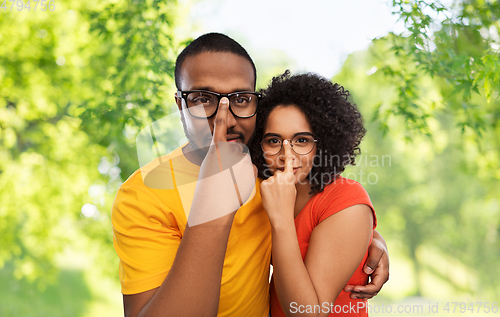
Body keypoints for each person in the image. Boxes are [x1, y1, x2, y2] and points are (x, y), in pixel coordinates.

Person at [112, 33, 389, 317]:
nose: (225, 119)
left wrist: (368, 239)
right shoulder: (143, 194)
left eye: (241, 99)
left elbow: (320, 216)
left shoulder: (268, 176)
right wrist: (213, 204)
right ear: (181, 104)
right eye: (203, 99)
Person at [252, 71, 377, 316]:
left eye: (301, 140)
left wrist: (281, 221)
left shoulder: (345, 199)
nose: (286, 155)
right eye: (274, 141)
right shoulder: (264, 190)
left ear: (324, 143)